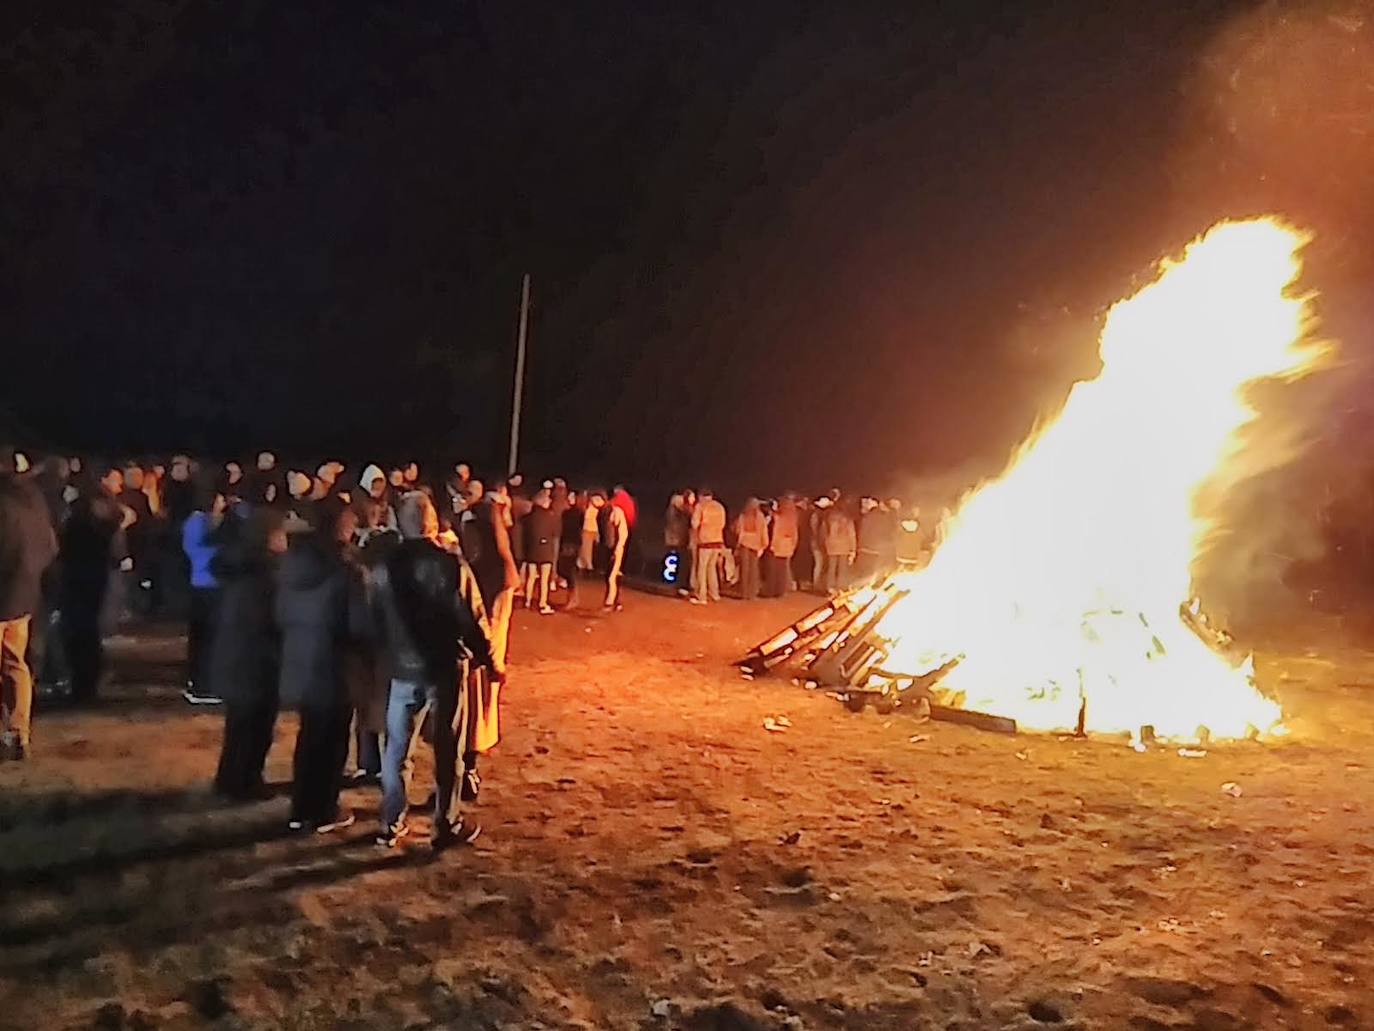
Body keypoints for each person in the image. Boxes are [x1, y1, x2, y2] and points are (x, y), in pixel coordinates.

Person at [372, 493, 501, 849]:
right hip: (444, 667)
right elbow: (473, 618)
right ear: (431, 523)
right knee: (448, 748)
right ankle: (446, 823)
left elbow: (377, 619)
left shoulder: (386, 566)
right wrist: (491, 661)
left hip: (402, 670)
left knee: (397, 750)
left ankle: (390, 821)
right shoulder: (451, 564)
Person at [276, 505, 365, 832]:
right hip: (333, 666)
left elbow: (280, 611)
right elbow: (358, 625)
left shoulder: (291, 564)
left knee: (309, 735)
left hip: (300, 661)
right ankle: (324, 809)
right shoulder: (345, 571)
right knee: (330, 741)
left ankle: (301, 808)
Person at [211, 508, 286, 801]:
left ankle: (231, 779)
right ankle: (244, 782)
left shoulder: (242, 566)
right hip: (256, 661)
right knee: (253, 728)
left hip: (238, 657)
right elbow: (267, 620)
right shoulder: (262, 574)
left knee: (240, 725)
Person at [0, 463, 59, 759]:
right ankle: (18, 732)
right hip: (23, 596)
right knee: (15, 664)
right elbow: (49, 545)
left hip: (4, 591)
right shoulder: (32, 498)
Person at [58, 467, 129, 705]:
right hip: (95, 578)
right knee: (88, 633)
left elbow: (67, 545)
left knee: (80, 633)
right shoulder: (107, 520)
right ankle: (86, 683)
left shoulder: (80, 519)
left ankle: (82, 685)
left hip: (79, 578)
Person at [181, 483, 227, 705]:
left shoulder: (192, 521)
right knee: (209, 638)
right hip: (211, 585)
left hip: (197, 583)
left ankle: (196, 682)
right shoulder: (205, 523)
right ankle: (204, 686)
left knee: (199, 637)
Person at [523, 489, 559, 614]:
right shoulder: (550, 517)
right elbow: (555, 533)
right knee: (544, 579)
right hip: (546, 550)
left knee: (531, 577)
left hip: (531, 550)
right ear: (544, 502)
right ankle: (542, 602)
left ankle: (527, 600)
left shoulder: (527, 517)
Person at [690, 488, 727, 605]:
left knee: (702, 569)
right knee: (712, 569)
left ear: (701, 496)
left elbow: (694, 523)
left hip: (705, 542)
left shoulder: (701, 506)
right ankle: (715, 594)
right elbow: (723, 524)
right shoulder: (720, 507)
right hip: (717, 541)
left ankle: (702, 596)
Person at [764, 495, 799, 598]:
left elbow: (776, 532)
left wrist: (773, 545)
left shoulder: (780, 517)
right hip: (787, 546)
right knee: (783, 569)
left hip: (778, 545)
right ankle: (781, 591)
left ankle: (772, 591)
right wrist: (793, 545)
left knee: (774, 569)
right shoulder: (792, 517)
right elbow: (795, 534)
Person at [733, 498, 768, 601]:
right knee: (754, 570)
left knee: (744, 570)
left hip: (744, 544)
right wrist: (764, 545)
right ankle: (752, 594)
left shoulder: (742, 516)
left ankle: (744, 593)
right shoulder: (760, 517)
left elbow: (738, 530)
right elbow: (763, 531)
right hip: (755, 545)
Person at [822, 498, 858, 592]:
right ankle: (841, 587)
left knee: (831, 567)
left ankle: (830, 587)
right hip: (844, 546)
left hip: (831, 546)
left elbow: (823, 532)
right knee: (842, 568)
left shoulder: (828, 518)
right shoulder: (847, 520)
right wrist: (853, 549)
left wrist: (826, 544)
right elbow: (852, 534)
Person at [603, 492, 630, 611]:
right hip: (610, 547)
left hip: (617, 548)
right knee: (610, 575)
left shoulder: (617, 512)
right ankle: (616, 601)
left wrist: (618, 548)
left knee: (612, 576)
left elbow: (623, 533)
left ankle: (610, 602)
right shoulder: (607, 512)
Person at [664, 493, 691, 593]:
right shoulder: (677, 512)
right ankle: (677, 584)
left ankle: (674, 583)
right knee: (677, 562)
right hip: (677, 540)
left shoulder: (672, 511)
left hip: (674, 540)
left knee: (675, 561)